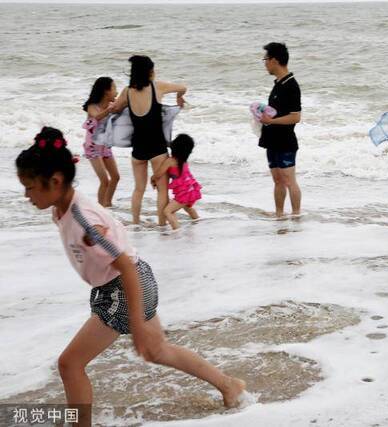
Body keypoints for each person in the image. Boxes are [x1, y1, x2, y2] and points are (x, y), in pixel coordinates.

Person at [16, 127, 245, 426]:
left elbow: (122, 264)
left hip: (123, 288)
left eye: (30, 187)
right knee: (157, 350)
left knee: (70, 364)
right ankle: (229, 385)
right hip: (133, 280)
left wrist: (136, 323)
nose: (26, 195)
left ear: (55, 181)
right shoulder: (63, 208)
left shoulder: (84, 219)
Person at [111, 55, 187, 226]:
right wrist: (179, 97)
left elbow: (116, 109)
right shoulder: (157, 87)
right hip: (157, 148)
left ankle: (135, 224)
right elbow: (183, 87)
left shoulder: (127, 91)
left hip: (138, 148)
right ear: (150, 71)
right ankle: (161, 226)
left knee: (138, 189)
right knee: (162, 190)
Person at [258, 42, 302, 217]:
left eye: (266, 59)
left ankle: (297, 215)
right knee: (277, 180)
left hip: (285, 140)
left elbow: (295, 116)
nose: (265, 63)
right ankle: (279, 214)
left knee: (289, 181)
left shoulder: (291, 85)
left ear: (274, 60)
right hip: (272, 139)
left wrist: (272, 120)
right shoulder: (278, 83)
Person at [82, 77, 120, 207]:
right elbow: (96, 117)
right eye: (114, 88)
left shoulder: (112, 106)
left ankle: (107, 204)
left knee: (115, 177)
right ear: (106, 91)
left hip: (105, 146)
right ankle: (100, 208)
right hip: (92, 147)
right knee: (104, 181)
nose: (116, 92)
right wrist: (109, 110)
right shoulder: (92, 106)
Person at [150, 134, 202, 230]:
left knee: (168, 212)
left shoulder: (170, 161)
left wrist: (152, 179)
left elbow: (159, 174)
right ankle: (197, 221)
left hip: (183, 194)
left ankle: (177, 231)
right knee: (188, 208)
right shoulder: (183, 160)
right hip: (191, 189)